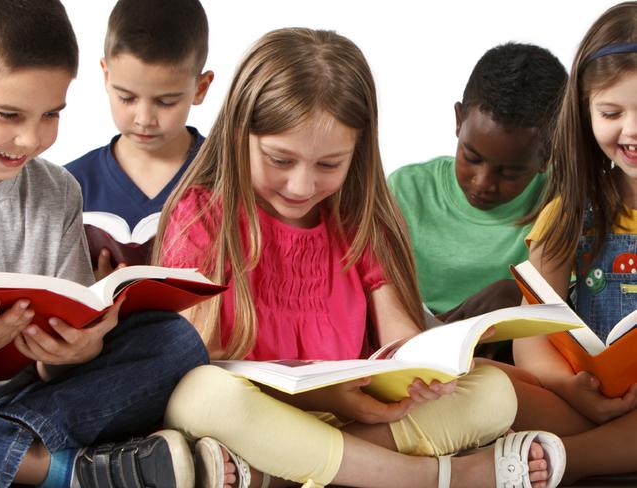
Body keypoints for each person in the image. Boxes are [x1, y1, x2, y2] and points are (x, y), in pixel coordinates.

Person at [154, 28, 566, 488]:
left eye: (329, 165)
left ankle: (276, 476)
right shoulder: (203, 216)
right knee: (202, 396)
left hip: (344, 420)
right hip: (262, 412)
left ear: (358, 152)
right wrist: (324, 399)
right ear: (238, 134)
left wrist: (424, 372)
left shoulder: (359, 219)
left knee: (493, 395)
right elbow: (193, 357)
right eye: (280, 160)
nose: (302, 187)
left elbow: (401, 344)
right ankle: (435, 478)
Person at [0, 1, 207, 487]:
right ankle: (54, 469)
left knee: (172, 340)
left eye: (51, 114)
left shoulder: (58, 190)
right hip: (34, 417)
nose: (30, 138)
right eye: (8, 114)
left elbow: (55, 345)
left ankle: (9, 448)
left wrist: (76, 349)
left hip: (31, 402)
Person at [512, 1, 637, 484]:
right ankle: (592, 442)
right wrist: (570, 387)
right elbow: (530, 334)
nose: (631, 130)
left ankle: (561, 457)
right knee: (488, 382)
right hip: (579, 398)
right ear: (584, 112)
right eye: (611, 112)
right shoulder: (567, 216)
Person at [388, 43, 567, 322]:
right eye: (471, 157)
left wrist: (521, 295)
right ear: (459, 120)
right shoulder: (406, 192)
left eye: (509, 173)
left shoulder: (564, 203)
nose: (483, 182)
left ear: (548, 156)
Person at [66, 0, 214, 279]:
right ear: (106, 76)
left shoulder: (228, 172)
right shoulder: (69, 183)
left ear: (201, 88)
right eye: (126, 97)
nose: (144, 118)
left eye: (166, 101)